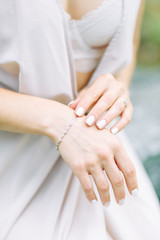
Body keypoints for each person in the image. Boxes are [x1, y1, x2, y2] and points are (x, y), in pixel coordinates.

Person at [0, 0, 160, 239]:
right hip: (12, 168)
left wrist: (117, 90)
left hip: (102, 162)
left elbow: (129, 41)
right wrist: (59, 122)